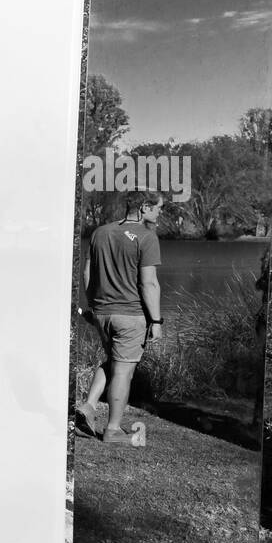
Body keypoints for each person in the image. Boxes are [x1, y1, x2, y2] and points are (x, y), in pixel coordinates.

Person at [77, 190, 164, 444]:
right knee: (124, 371)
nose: (159, 212)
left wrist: (93, 307)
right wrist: (157, 321)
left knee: (114, 362)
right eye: (158, 207)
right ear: (145, 207)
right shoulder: (147, 237)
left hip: (102, 313)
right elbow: (149, 284)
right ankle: (113, 430)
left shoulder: (100, 232)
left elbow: (86, 274)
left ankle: (89, 406)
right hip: (131, 315)